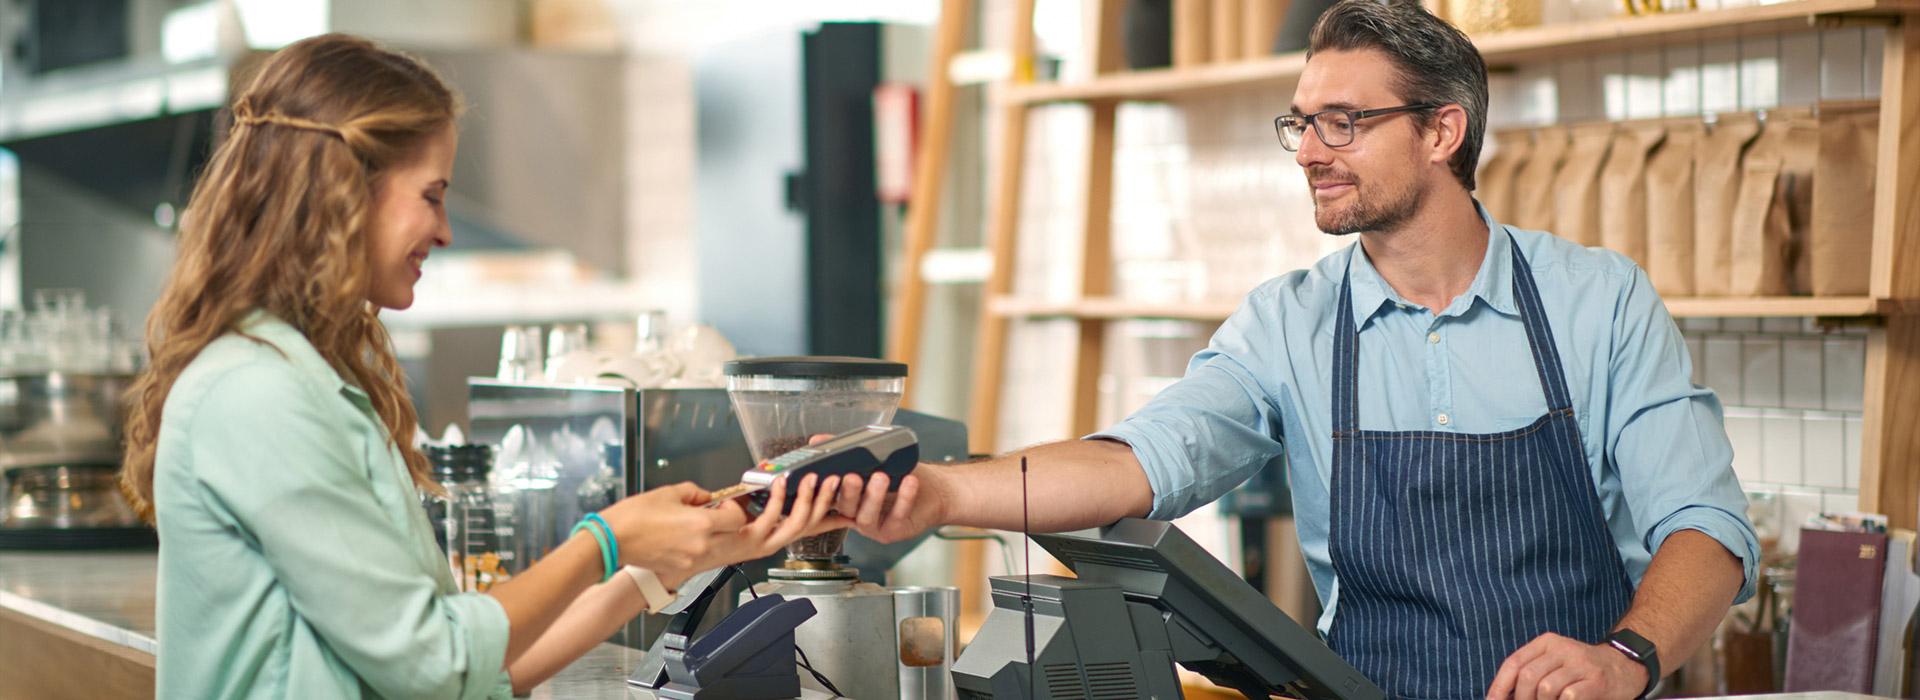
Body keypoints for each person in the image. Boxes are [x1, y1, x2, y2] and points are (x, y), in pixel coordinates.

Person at [832, 3, 1757, 699]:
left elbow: (1705, 527)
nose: (1310, 150)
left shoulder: (1597, 302)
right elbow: (1141, 462)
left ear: (1443, 131)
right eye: (1302, 123)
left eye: (1343, 122)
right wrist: (944, 493)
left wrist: (1625, 659)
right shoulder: (1289, 322)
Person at [117, 34, 847, 698]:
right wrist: (606, 539)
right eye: (430, 196)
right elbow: (435, 660)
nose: (442, 229)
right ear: (342, 193)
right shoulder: (259, 394)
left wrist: (661, 565)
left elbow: (479, 671)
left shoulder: (300, 378)